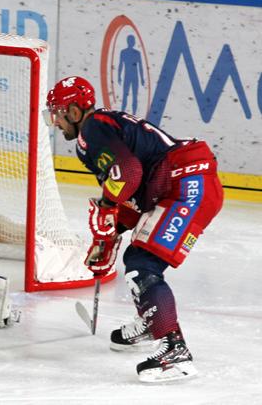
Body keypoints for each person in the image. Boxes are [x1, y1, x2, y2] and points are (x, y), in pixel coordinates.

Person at [45, 76, 223, 382]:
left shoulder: (92, 129)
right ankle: (154, 322)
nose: (56, 123)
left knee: (143, 265)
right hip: (178, 184)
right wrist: (109, 236)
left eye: (59, 113)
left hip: (185, 184)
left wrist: (104, 208)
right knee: (137, 258)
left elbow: (128, 174)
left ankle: (174, 351)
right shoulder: (102, 129)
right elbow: (130, 189)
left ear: (75, 112)